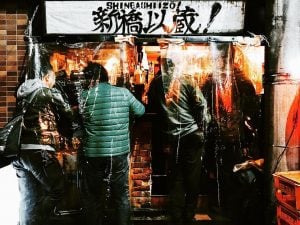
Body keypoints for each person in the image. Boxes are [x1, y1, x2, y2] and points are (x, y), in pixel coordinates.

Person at [79, 62, 145, 225]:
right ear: (106, 76)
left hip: (93, 154)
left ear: (91, 79)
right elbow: (141, 111)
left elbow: (78, 119)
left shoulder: (84, 96)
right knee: (121, 195)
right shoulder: (123, 93)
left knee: (93, 196)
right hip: (118, 153)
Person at [147, 57, 211, 224]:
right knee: (192, 176)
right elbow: (201, 105)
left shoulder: (156, 83)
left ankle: (176, 215)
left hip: (172, 137)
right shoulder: (187, 80)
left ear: (159, 68)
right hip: (191, 134)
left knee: (175, 177)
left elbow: (150, 106)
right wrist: (202, 127)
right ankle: (188, 215)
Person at [12, 65, 74, 225]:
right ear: (47, 77)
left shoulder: (23, 93)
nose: (54, 82)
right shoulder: (47, 91)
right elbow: (67, 112)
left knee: (29, 197)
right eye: (53, 78)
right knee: (58, 189)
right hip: (39, 149)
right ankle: (39, 220)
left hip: (19, 151)